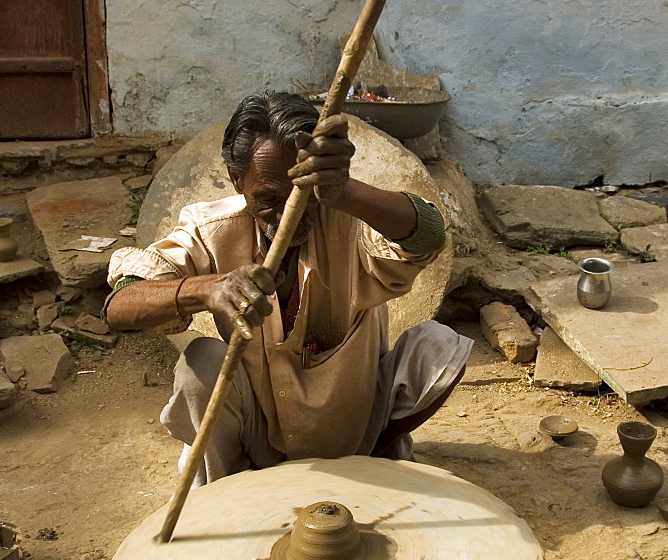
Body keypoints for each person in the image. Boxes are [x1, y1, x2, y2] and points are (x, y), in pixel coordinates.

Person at [105, 91, 473, 485]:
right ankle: (225, 490)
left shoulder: (348, 216)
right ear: (237, 180)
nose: (288, 216)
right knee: (201, 364)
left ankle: (376, 458)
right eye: (268, 199)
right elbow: (120, 306)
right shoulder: (210, 229)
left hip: (351, 430)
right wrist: (206, 289)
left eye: (303, 197)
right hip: (257, 441)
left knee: (438, 348)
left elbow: (429, 236)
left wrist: (344, 191)